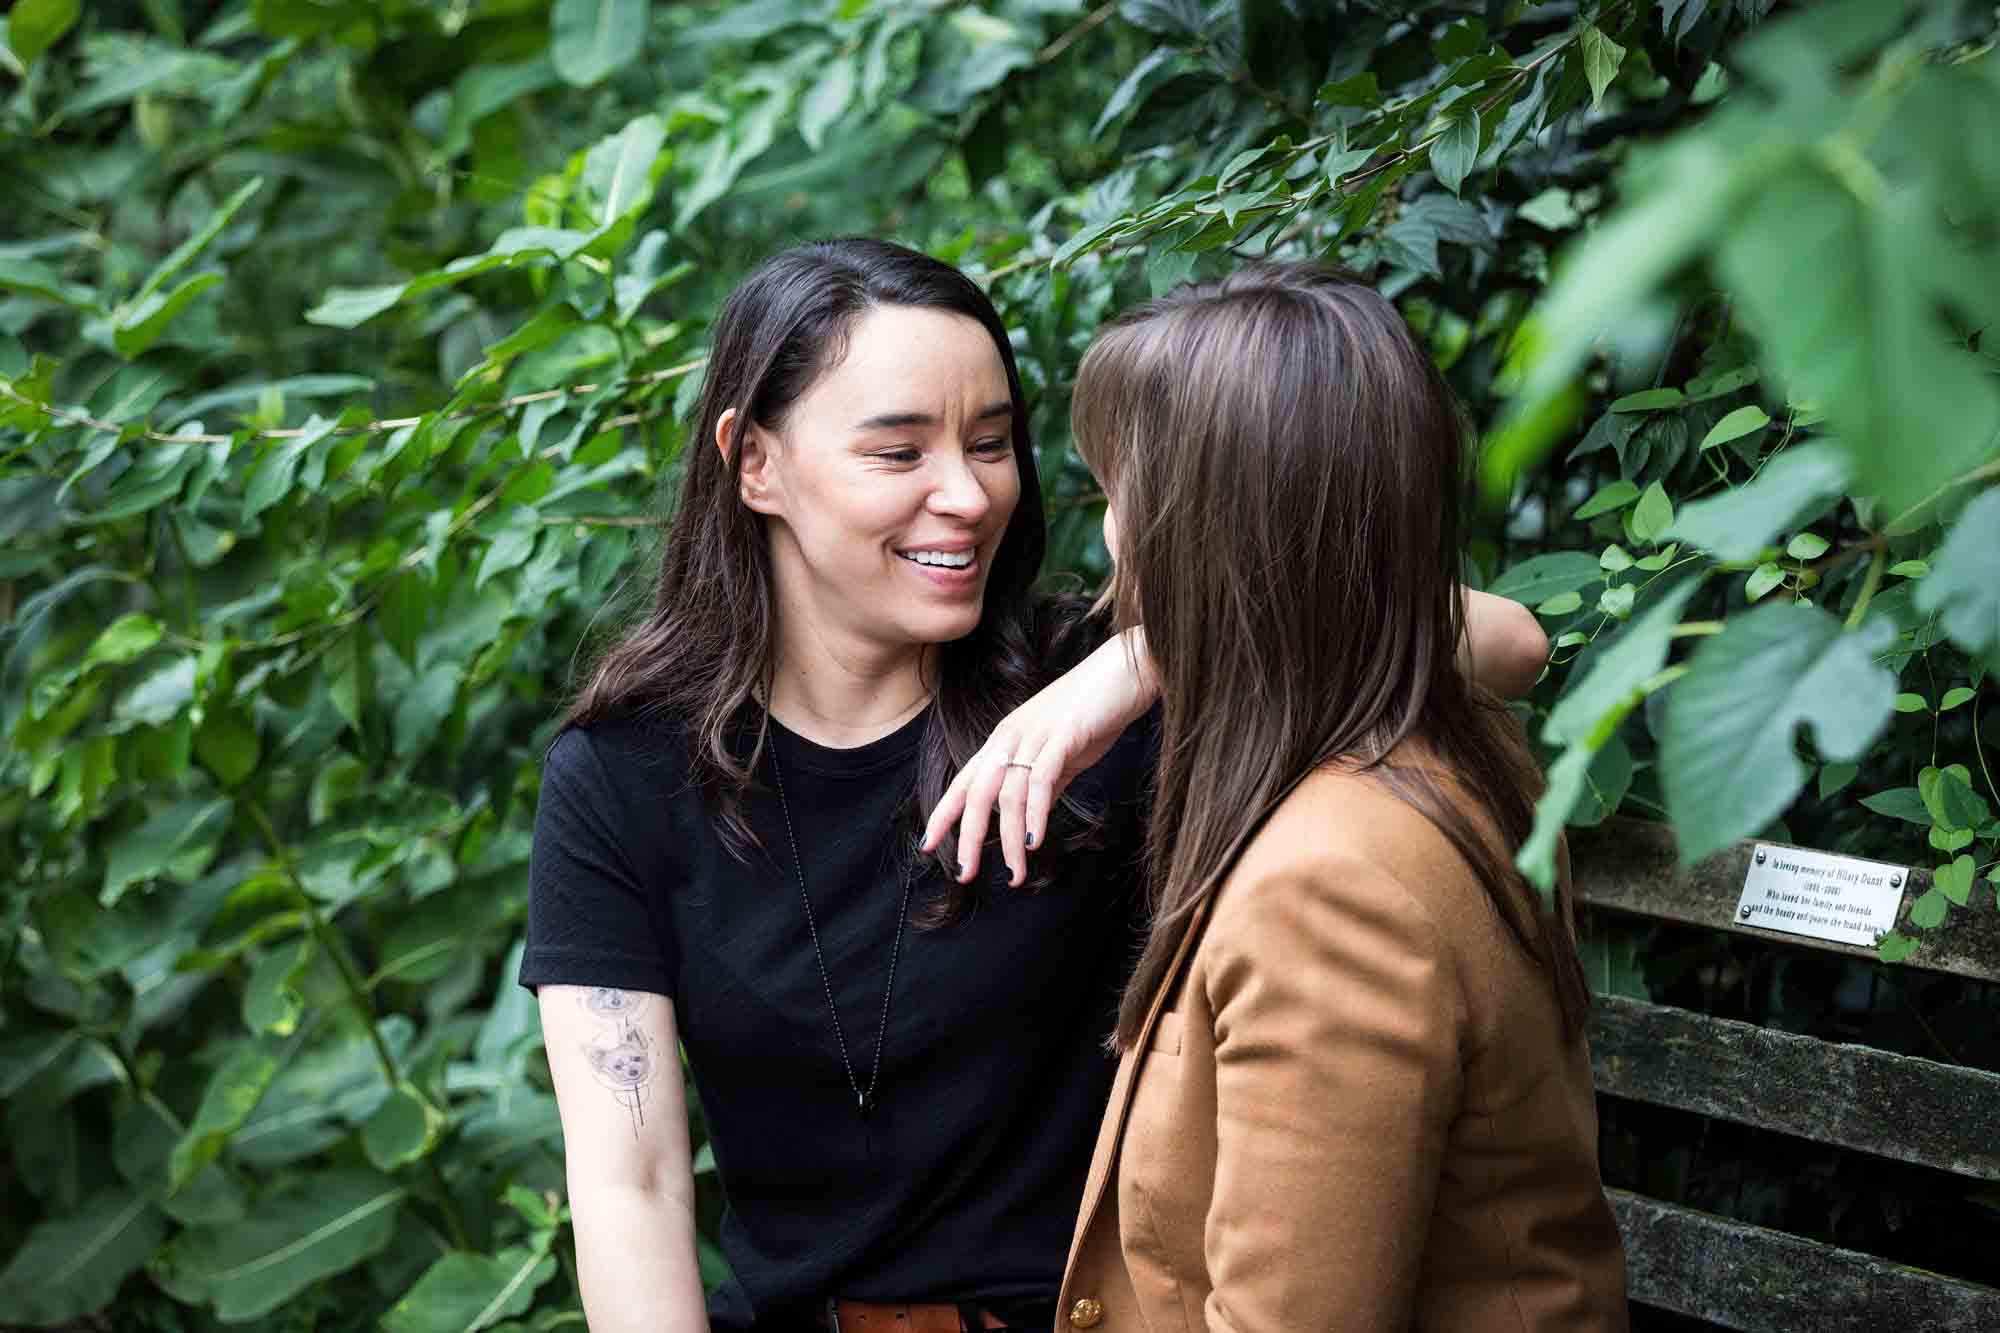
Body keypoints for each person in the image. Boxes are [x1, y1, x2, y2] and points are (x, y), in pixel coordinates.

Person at [520, 239, 1553, 1333]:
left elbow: (1509, 643)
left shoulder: (1089, 686)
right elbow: (630, 1183)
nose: (965, 495)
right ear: (754, 462)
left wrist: (1140, 660)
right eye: (898, 451)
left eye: (991, 442)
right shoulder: (623, 776)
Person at [932, 262, 1628, 1331]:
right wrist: (1140, 656)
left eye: (1122, 494)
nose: (1110, 536)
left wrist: (1133, 657)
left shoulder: (1330, 888)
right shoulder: (1430, 751)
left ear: (1203, 528)